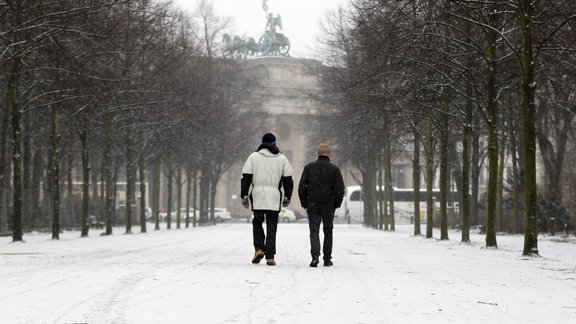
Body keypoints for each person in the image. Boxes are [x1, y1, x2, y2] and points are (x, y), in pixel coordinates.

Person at [241, 133, 293, 266]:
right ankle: (270, 256)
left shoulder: (253, 157)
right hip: (274, 196)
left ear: (262, 143)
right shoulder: (282, 159)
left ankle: (258, 249)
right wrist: (287, 195)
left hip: (257, 195)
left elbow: (246, 177)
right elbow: (288, 180)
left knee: (257, 223)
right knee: (272, 226)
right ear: (275, 144)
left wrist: (244, 195)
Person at [298, 144, 345, 267]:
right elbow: (339, 189)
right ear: (330, 154)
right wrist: (336, 203)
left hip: (313, 203)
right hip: (328, 205)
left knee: (314, 231)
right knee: (328, 231)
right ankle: (327, 259)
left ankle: (315, 256)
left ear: (317, 153)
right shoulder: (334, 169)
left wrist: (305, 203)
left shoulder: (309, 168)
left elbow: (301, 187)